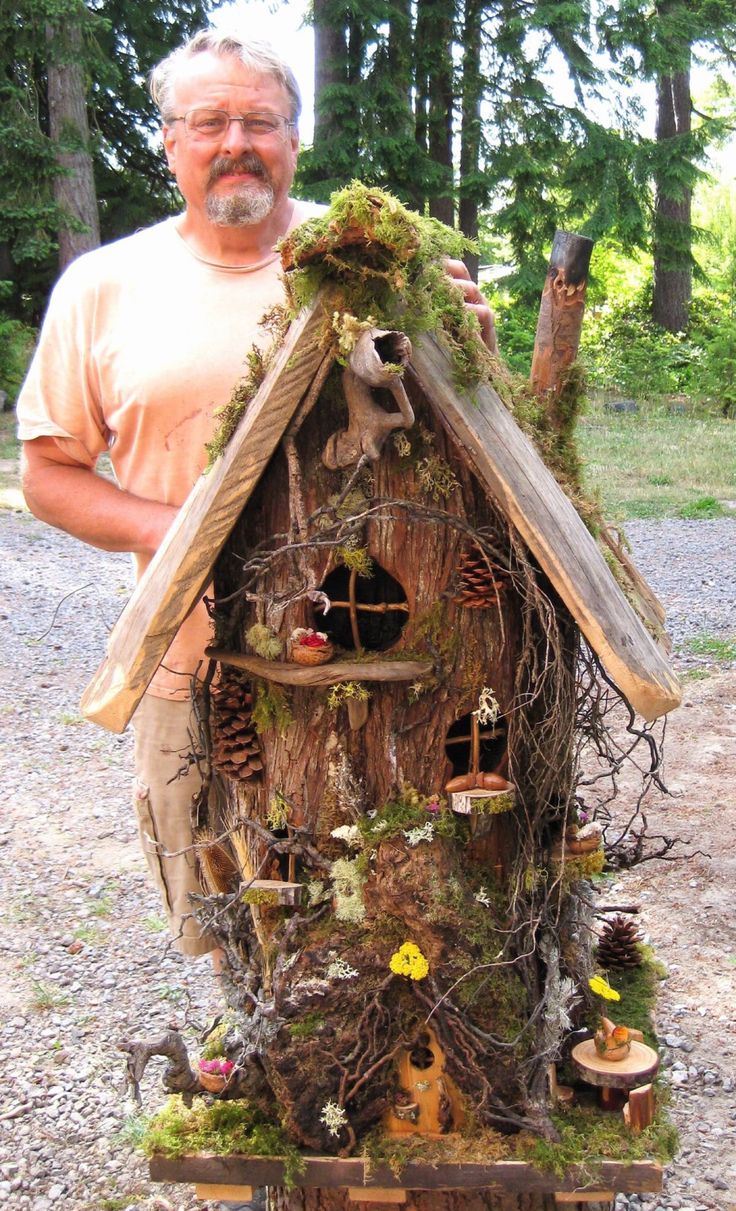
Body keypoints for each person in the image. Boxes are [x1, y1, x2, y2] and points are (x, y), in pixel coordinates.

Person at [17, 28, 497, 961]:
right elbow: (46, 475)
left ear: (293, 140)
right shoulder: (104, 287)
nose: (235, 139)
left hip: (376, 664)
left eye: (260, 120)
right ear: (169, 141)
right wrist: (196, 532)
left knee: (388, 919)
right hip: (190, 666)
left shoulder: (367, 265)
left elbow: (464, 443)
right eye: (209, 121)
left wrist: (466, 349)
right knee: (232, 923)